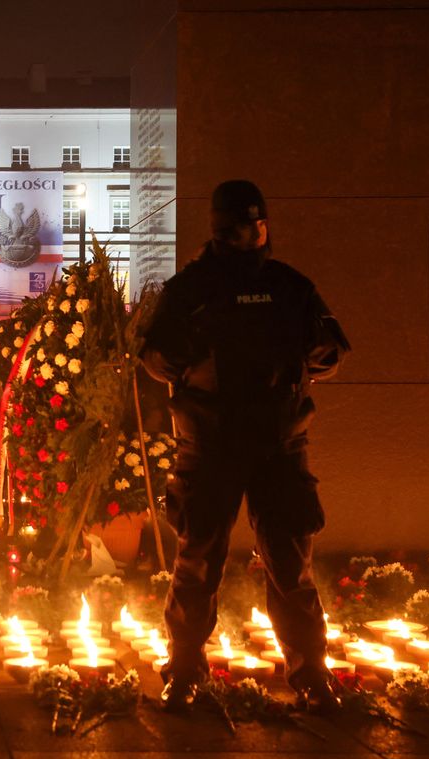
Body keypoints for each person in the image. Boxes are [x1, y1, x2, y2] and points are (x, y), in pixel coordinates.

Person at [140, 180, 350, 714]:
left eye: (250, 225)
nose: (243, 236)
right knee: (198, 562)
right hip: (210, 444)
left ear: (263, 226)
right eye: (234, 227)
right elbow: (154, 354)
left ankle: (310, 675)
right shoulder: (192, 289)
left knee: (289, 564)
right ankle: (184, 671)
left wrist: (292, 363)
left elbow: (330, 349)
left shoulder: (288, 287)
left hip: (276, 445)